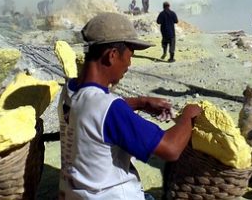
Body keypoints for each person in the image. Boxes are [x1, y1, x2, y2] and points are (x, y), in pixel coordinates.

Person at [64, 12, 202, 199]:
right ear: (112, 55)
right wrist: (189, 115)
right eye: (130, 55)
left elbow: (92, 111)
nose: (129, 64)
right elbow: (171, 149)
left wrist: (140, 102)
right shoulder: (110, 108)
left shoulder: (70, 90)